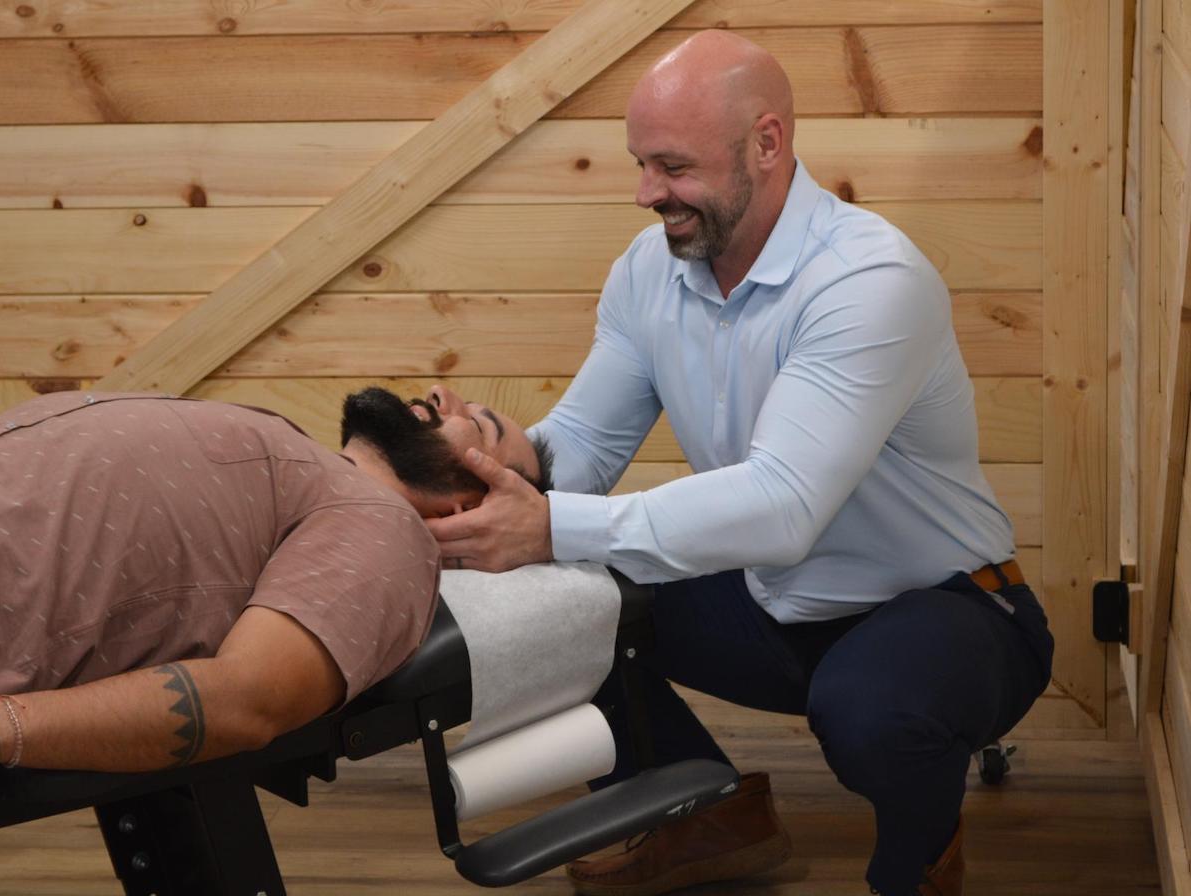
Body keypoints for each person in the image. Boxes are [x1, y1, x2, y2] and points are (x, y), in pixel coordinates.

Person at [424, 30, 1054, 896]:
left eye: (674, 167)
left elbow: (784, 507)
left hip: (949, 608)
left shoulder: (866, 280)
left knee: (872, 712)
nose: (648, 193)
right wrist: (483, 455)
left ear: (767, 142)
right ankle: (701, 818)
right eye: (641, 164)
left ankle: (918, 868)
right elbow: (586, 448)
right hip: (770, 602)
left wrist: (550, 524)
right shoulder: (650, 272)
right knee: (550, 605)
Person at [0, 384, 549, 791]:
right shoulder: (312, 471)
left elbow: (245, 699)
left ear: (472, 504)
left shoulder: (385, 533)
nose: (443, 393)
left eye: (478, 427)